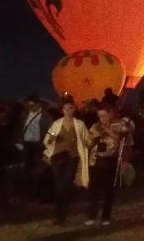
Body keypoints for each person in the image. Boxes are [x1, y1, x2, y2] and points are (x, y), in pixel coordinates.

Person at [43, 96, 92, 225]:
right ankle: (60, 215)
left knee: (65, 184)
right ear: (62, 110)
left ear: (74, 109)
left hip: (72, 157)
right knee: (59, 186)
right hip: (57, 157)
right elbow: (49, 138)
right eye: (66, 109)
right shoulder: (57, 124)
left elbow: (87, 139)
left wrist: (92, 140)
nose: (68, 111)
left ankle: (62, 214)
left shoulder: (79, 125)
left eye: (70, 108)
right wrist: (52, 140)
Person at [86, 104, 129, 226]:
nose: (102, 119)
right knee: (93, 188)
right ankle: (92, 215)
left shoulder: (118, 124)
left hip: (111, 159)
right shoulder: (96, 125)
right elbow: (88, 141)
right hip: (96, 158)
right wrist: (93, 138)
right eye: (100, 116)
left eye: (104, 115)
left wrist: (108, 131)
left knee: (108, 189)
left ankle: (106, 216)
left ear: (109, 114)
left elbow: (121, 139)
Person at [15, 94, 53, 202]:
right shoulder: (24, 114)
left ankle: (34, 193)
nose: (30, 107)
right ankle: (27, 192)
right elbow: (19, 128)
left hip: (38, 145)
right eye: (29, 105)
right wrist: (19, 140)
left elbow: (50, 132)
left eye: (32, 105)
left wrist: (47, 145)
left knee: (36, 170)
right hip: (26, 144)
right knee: (26, 169)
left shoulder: (46, 116)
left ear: (38, 104)